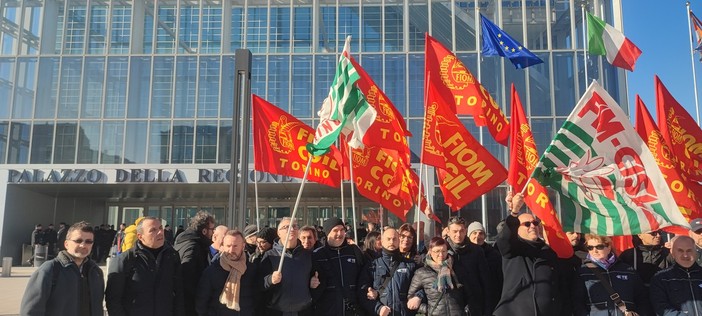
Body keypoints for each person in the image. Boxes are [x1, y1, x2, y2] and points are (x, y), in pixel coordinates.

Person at [494, 192, 572, 316]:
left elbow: (559, 288)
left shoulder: (549, 253)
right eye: (527, 224)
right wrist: (514, 211)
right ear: (517, 229)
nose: (532, 226)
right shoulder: (513, 249)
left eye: (535, 223)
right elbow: (505, 238)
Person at [20, 221, 104, 316]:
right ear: (66, 244)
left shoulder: (96, 272)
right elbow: (31, 311)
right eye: (78, 240)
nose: (83, 245)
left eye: (88, 241)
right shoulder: (50, 270)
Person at [105, 217, 184, 316]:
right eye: (153, 230)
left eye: (160, 228)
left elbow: (179, 293)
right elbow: (113, 300)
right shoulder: (126, 260)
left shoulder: (172, 256)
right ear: (140, 236)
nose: (160, 232)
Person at [572, 234, 649, 315]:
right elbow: (577, 302)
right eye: (590, 247)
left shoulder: (627, 270)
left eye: (599, 247)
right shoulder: (583, 272)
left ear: (609, 247)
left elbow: (642, 298)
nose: (594, 251)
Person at [259, 217, 318, 315]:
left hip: (303, 311)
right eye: (286, 227)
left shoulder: (308, 255)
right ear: (278, 233)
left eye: (294, 226)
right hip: (277, 311)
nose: (291, 229)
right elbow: (259, 283)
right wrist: (270, 279)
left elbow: (317, 277)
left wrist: (313, 282)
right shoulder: (270, 255)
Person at [196, 230, 260, 316]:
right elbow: (201, 301)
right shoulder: (212, 271)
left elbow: (257, 297)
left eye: (235, 246)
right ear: (223, 246)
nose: (231, 250)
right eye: (228, 246)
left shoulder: (252, 270)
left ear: (243, 246)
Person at [311, 217, 365, 315]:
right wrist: (311, 284)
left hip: (352, 310)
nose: (339, 234)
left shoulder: (354, 251)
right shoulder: (318, 255)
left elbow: (364, 277)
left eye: (342, 230)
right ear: (328, 233)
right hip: (327, 310)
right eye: (335, 230)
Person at [359, 227, 418, 316]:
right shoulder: (372, 266)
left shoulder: (410, 265)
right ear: (382, 241)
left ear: (399, 241)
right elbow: (362, 292)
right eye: (388, 239)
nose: (391, 242)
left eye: (394, 239)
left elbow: (422, 285)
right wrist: (378, 308)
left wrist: (418, 296)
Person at [444, 216, 491, 315]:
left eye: (461, 231)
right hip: (450, 305)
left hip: (473, 305)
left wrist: (487, 308)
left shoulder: (477, 251)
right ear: (448, 231)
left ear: (465, 231)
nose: (458, 235)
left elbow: (485, 281)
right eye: (455, 231)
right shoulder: (442, 251)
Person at [407, 237, 466, 316]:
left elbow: (468, 291)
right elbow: (411, 296)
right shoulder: (422, 273)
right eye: (437, 251)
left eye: (443, 251)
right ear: (430, 252)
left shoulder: (456, 268)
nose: (441, 255)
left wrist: (466, 309)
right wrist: (428, 310)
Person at [174, 211, 216, 316]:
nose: (213, 233)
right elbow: (187, 276)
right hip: (190, 305)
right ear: (204, 231)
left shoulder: (186, 241)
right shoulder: (193, 247)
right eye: (212, 229)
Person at [650, 235, 702, 315]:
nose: (685, 255)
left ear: (695, 252)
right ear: (672, 253)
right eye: (680, 251)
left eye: (689, 250)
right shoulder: (661, 278)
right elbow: (662, 308)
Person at [467, 221, 502, 313]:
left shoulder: (494, 254)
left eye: (481, 233)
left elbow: (500, 278)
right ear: (469, 235)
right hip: (471, 302)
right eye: (474, 233)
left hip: (491, 299)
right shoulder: (464, 254)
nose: (477, 236)